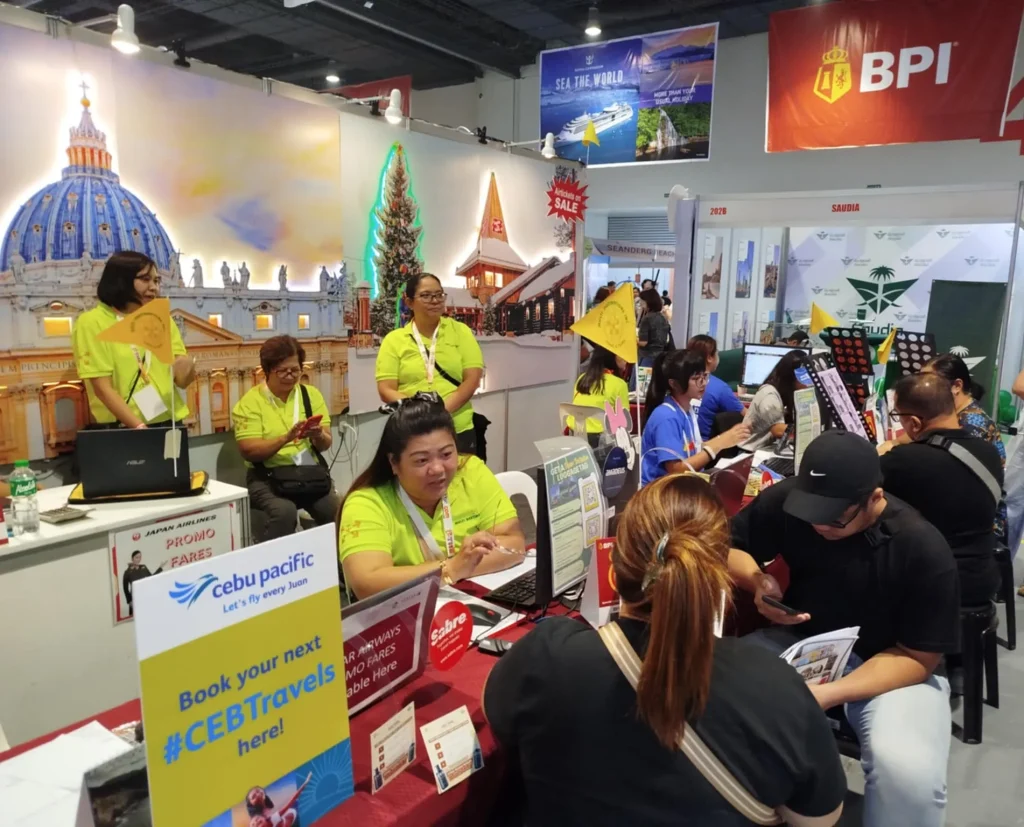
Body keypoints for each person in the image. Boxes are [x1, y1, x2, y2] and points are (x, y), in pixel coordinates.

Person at [483, 474, 847, 827]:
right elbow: (819, 818)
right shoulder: (776, 689)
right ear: (718, 577)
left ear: (615, 567)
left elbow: (497, 718)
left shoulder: (545, 656)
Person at [730, 430, 960, 827]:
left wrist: (828, 694)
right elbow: (727, 545)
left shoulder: (921, 548)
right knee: (711, 691)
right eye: (811, 513)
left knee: (908, 776)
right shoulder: (789, 502)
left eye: (836, 517)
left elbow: (919, 657)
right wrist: (758, 582)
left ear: (874, 498)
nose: (820, 525)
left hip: (892, 663)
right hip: (802, 640)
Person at [337, 394, 525, 600]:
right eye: (421, 460)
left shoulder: (470, 471)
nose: (437, 469)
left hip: (467, 603)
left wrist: (461, 568)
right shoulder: (366, 503)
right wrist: (451, 569)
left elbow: (514, 544)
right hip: (408, 612)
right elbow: (367, 583)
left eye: (446, 454)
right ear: (393, 462)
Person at [880, 373, 1002, 605]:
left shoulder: (903, 460)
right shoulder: (989, 452)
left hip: (930, 582)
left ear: (914, 422)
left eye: (898, 417)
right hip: (982, 577)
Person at [72, 251, 196, 429]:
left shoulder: (162, 319)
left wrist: (187, 367)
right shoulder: (91, 322)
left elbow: (182, 382)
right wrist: (139, 427)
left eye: (156, 281)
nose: (154, 287)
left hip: (170, 423)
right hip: (124, 429)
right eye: (145, 279)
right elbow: (102, 389)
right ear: (121, 280)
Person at [233, 336, 338, 542]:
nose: (290, 376)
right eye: (283, 371)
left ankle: (337, 559)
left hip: (308, 471)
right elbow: (249, 451)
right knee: (284, 513)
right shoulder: (250, 403)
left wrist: (318, 434)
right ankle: (274, 559)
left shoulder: (310, 395)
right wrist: (286, 438)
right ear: (267, 370)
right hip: (267, 476)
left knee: (338, 511)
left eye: (295, 370)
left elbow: (326, 444)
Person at [376, 274, 484, 456]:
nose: (434, 301)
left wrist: (439, 413)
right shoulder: (393, 340)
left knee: (462, 474)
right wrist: (420, 413)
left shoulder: (460, 332)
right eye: (426, 295)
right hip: (412, 431)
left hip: (457, 429)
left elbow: (472, 379)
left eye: (439, 295)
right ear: (409, 302)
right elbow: (386, 389)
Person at [640, 350, 749, 485]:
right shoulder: (666, 417)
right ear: (674, 384)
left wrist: (724, 440)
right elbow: (676, 470)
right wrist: (720, 443)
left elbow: (692, 450)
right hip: (661, 492)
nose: (703, 383)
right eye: (696, 379)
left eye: (705, 376)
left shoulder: (686, 410)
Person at [739, 349, 811, 452]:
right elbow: (778, 430)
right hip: (750, 451)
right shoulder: (770, 395)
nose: (808, 383)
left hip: (767, 447)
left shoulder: (785, 392)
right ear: (790, 378)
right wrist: (810, 429)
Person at [687, 335, 744, 441]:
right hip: (705, 447)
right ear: (710, 358)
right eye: (716, 352)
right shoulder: (720, 388)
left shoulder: (682, 381)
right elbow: (747, 416)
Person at [571, 345, 629, 438]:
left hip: (574, 433)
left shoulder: (582, 378)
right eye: (621, 354)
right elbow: (624, 421)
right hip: (603, 439)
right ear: (611, 357)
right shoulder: (619, 384)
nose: (625, 359)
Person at [122, 550, 166, 617]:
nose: (138, 559)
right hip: (134, 598)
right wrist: (129, 601)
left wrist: (160, 568)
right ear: (132, 558)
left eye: (140, 557)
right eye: (136, 557)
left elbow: (151, 578)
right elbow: (125, 588)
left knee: (147, 616)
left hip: (145, 597)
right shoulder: (127, 572)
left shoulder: (143, 568)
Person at [636, 289, 672, 367]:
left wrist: (633, 340)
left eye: (642, 301)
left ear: (648, 301)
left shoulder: (647, 318)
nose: (640, 303)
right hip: (660, 357)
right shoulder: (663, 317)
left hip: (646, 357)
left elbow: (643, 343)